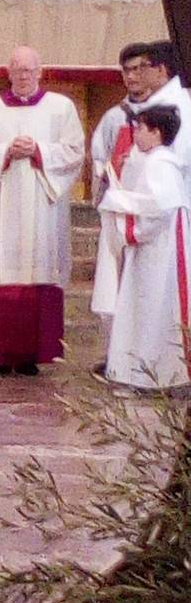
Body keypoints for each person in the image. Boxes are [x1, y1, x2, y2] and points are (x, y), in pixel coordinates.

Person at [0, 46, 85, 375]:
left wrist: (39, 150)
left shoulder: (61, 108)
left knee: (38, 266)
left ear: (40, 72)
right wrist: (4, 151)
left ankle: (31, 355)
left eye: (30, 70)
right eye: (18, 70)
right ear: (9, 72)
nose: (24, 76)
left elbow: (75, 151)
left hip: (41, 205)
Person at [90, 40, 191, 365]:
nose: (133, 76)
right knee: (136, 295)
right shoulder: (134, 112)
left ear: (160, 70)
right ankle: (131, 359)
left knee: (160, 298)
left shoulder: (178, 110)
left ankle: (159, 364)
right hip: (138, 214)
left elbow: (170, 169)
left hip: (159, 219)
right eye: (128, 70)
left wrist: (124, 197)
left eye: (141, 68)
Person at [100, 105, 191, 392]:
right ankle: (139, 370)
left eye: (140, 128)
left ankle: (158, 373)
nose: (134, 133)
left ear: (156, 132)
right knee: (144, 307)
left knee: (156, 308)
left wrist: (121, 209)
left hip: (160, 251)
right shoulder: (153, 160)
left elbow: (159, 207)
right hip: (152, 249)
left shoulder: (161, 164)